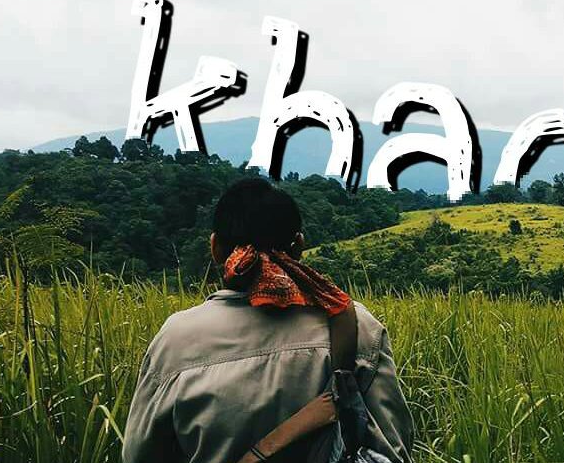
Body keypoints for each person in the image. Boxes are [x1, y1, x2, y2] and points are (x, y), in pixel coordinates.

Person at [123, 178, 414, 462]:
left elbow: (139, 454)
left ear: (215, 248)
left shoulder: (177, 341)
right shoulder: (354, 326)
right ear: (298, 247)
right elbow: (392, 449)